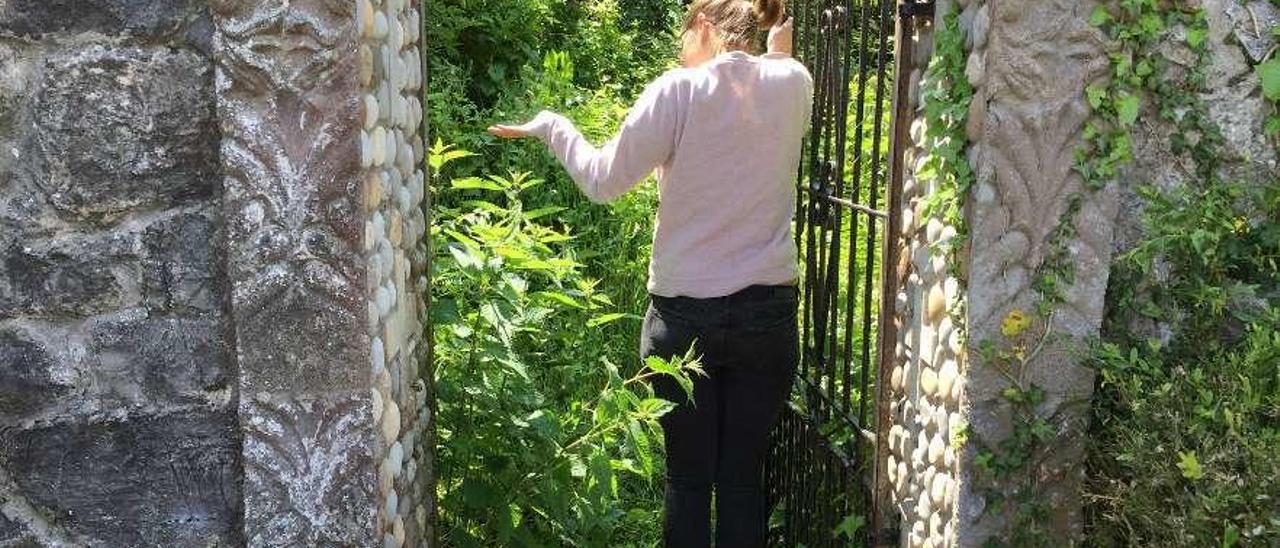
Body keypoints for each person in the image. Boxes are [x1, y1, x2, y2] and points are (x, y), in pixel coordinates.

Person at [489, 0, 812, 545]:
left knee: (688, 482)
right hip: (768, 316)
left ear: (704, 28)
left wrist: (552, 126)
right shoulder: (794, 82)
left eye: (682, 37)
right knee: (741, 481)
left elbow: (602, 181)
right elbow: (775, 73)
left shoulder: (676, 91)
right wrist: (778, 53)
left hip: (684, 319)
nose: (679, 52)